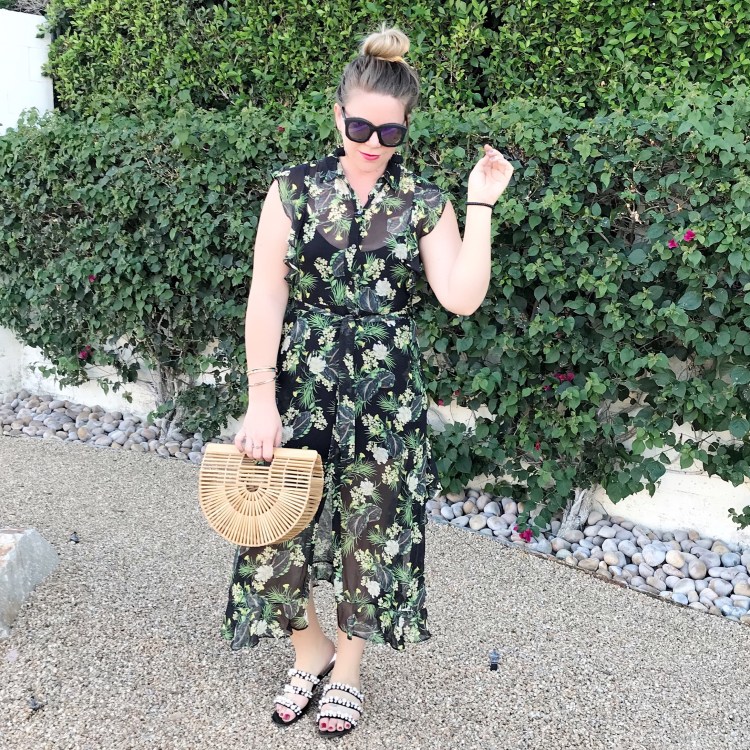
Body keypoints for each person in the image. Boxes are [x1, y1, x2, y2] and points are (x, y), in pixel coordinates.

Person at [221, 25, 513, 737]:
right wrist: (260, 398)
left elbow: (460, 297)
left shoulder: (424, 202)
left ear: (405, 128)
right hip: (300, 381)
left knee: (372, 530)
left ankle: (347, 670)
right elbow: (267, 294)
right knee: (272, 522)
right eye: (359, 127)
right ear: (337, 115)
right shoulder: (292, 190)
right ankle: (309, 650)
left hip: (386, 394)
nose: (372, 143)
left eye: (389, 132)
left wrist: (481, 204)